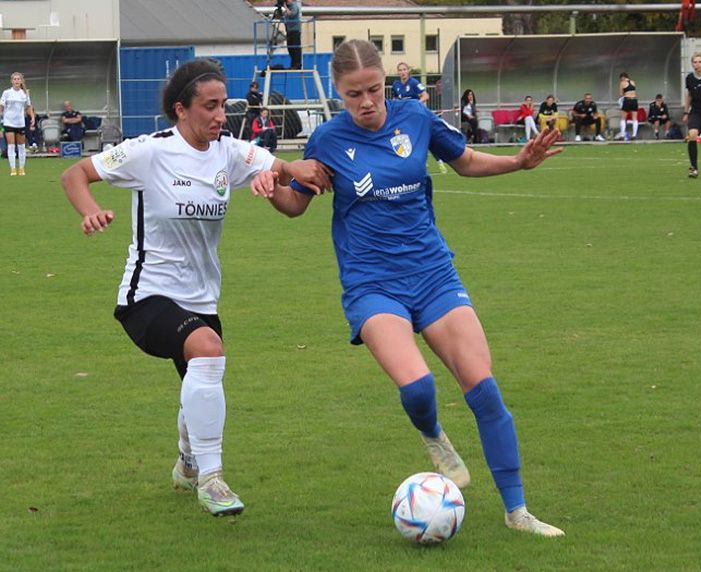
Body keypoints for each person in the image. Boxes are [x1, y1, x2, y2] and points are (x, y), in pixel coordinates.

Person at [252, 38, 566, 538]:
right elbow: (295, 204)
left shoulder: (415, 118)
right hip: (372, 284)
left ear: (386, 83)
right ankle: (432, 433)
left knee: (484, 390)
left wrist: (517, 163)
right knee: (418, 387)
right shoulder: (328, 141)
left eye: (374, 89)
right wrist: (272, 188)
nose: (367, 102)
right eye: (354, 94)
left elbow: (463, 160)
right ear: (337, 91)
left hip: (433, 274)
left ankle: (518, 512)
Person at [60, 59, 330, 517]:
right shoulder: (150, 151)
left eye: (224, 105)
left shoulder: (230, 153)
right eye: (210, 106)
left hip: (202, 299)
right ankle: (212, 479)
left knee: (201, 382)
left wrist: (303, 178)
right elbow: (75, 175)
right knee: (207, 351)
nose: (221, 115)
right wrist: (89, 210)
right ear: (181, 109)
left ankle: (187, 461)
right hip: (146, 297)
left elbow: (289, 199)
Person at [391, 62, 447, 173]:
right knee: (407, 139)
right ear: (398, 72)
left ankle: (439, 162)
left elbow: (426, 95)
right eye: (400, 70)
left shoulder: (413, 83)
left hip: (417, 116)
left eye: (404, 69)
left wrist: (415, 104)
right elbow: (395, 99)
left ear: (408, 71)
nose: (402, 72)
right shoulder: (396, 85)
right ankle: (418, 163)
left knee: (426, 138)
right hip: (404, 117)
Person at [1, 72, 34, 176]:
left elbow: (28, 107)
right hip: (9, 122)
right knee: (11, 146)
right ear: (12, 81)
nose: (16, 81)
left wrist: (32, 117)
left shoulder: (24, 93)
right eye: (14, 79)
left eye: (18, 79)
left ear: (21, 81)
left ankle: (21, 168)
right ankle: (13, 169)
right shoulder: (6, 93)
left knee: (21, 146)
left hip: (20, 123)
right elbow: (1, 106)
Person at [618, 72, 639, 141]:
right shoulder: (633, 82)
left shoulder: (622, 83)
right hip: (634, 100)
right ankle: (634, 135)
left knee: (623, 118)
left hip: (627, 100)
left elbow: (621, 94)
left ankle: (622, 135)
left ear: (622, 77)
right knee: (634, 118)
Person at [283, 0, 302, 70]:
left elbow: (292, 14)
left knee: (295, 48)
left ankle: (297, 65)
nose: (286, 1)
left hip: (295, 31)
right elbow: (285, 18)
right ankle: (293, 64)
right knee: (290, 48)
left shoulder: (294, 6)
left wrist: (285, 8)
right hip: (289, 31)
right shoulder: (288, 8)